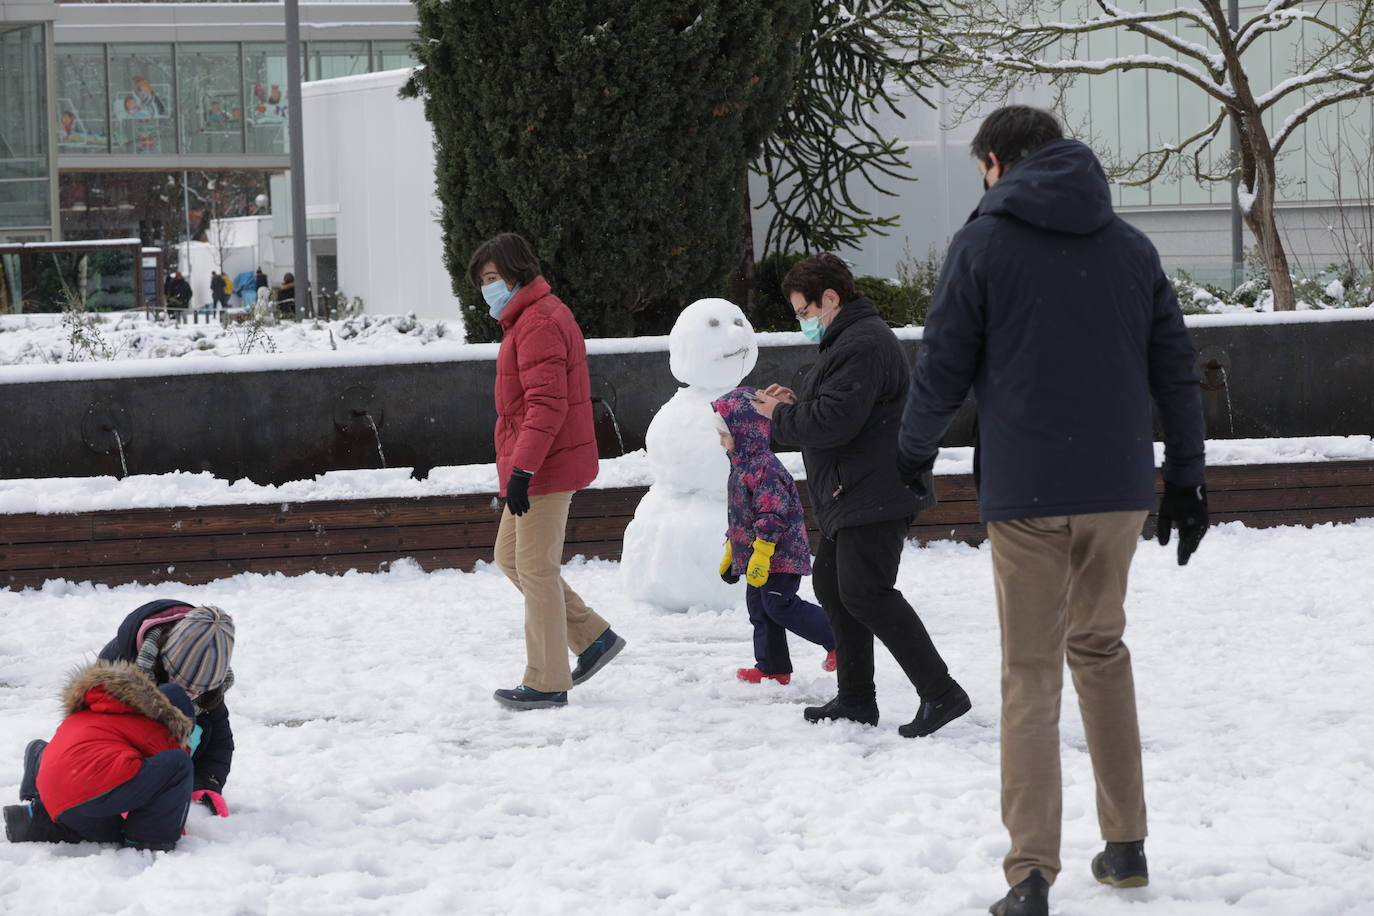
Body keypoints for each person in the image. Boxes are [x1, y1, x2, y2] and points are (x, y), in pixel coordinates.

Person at [895, 106, 1208, 916]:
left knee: (1031, 673)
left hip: (1028, 491)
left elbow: (942, 366)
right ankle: (1126, 845)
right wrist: (1187, 477)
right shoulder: (1130, 248)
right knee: (1101, 650)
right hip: (1117, 492)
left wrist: (911, 452)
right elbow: (1176, 368)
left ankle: (1030, 874)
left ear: (997, 163)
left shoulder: (983, 243)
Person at [750, 253, 970, 738]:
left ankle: (941, 692)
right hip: (856, 489)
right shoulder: (848, 341)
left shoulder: (863, 343)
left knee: (867, 592)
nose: (802, 321)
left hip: (875, 489)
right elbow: (839, 411)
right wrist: (794, 406)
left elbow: (835, 422)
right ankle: (855, 698)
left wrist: (777, 417)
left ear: (829, 298)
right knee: (833, 587)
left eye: (804, 311)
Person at [469, 232, 625, 710]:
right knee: (511, 557)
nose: (488, 288)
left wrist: (523, 470)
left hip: (544, 466)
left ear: (517, 271)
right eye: (483, 281)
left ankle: (546, 681)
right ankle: (592, 636)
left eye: (493, 277)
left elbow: (546, 405)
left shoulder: (538, 321)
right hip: (539, 461)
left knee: (535, 567)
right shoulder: (527, 317)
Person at [712, 386, 836, 685]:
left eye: (725, 434)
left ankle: (839, 637)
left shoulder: (764, 468)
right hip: (757, 555)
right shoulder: (741, 467)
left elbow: (772, 514)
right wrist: (732, 549)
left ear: (745, 431)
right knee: (760, 609)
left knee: (779, 604)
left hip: (780, 554)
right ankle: (773, 667)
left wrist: (763, 551)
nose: (721, 442)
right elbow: (742, 516)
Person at [3, 659, 195, 851]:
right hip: (88, 789)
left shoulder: (96, 710)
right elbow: (167, 779)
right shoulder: (155, 726)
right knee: (179, 764)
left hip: (55, 790)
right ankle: (149, 840)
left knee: (107, 827)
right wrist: (170, 817)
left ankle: (38, 816)